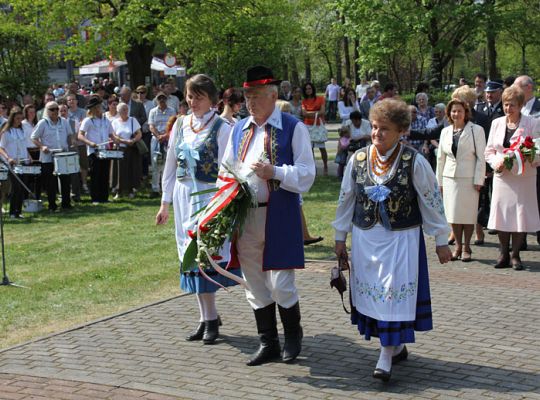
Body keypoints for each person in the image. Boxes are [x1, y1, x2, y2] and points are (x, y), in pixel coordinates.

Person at [333, 98, 452, 382]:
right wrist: (340, 238)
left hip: (401, 242)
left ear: (401, 131)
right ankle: (395, 346)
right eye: (374, 127)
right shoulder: (358, 159)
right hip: (365, 240)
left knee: (391, 295)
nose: (376, 133)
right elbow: (346, 200)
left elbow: (432, 201)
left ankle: (385, 355)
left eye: (384, 128)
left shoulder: (415, 161)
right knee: (374, 294)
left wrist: (441, 239)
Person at [219, 65, 316, 366]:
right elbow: (226, 170)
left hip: (280, 216)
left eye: (257, 96)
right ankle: (268, 342)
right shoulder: (238, 129)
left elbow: (307, 175)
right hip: (247, 217)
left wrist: (274, 172)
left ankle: (293, 337)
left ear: (273, 95)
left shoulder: (292, 127)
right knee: (255, 282)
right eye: (247, 97)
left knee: (281, 284)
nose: (250, 103)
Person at [156, 74, 241, 344]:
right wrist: (165, 202)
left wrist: (223, 203)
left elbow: (231, 169)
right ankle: (205, 318)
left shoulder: (222, 127)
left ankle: (212, 317)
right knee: (188, 257)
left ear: (212, 100)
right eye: (190, 96)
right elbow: (170, 166)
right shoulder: (181, 125)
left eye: (199, 97)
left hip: (207, 197)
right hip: (184, 196)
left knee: (205, 256)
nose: (192, 102)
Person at [484, 86, 540, 270]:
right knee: (502, 215)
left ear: (521, 105)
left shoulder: (532, 122)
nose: (509, 109)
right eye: (506, 105)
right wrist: (496, 162)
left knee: (520, 216)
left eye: (513, 105)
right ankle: (503, 253)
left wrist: (529, 154)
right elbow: (489, 151)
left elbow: (538, 149)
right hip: (503, 177)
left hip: (523, 177)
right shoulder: (497, 123)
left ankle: (515, 254)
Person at [436, 99, 486, 262]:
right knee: (453, 215)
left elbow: (481, 157)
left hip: (469, 178)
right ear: (449, 114)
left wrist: (479, 179)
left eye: (459, 111)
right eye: (453, 111)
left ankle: (467, 247)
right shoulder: (445, 132)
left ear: (465, 113)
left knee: (468, 215)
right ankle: (457, 246)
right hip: (450, 178)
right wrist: (440, 182)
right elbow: (440, 159)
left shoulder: (476, 130)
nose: (456, 114)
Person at [31, 101, 73, 211]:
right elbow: (33, 137)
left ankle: (66, 204)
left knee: (65, 180)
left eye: (56, 109)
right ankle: (52, 205)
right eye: (52, 109)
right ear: (47, 111)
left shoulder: (64, 121)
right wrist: (42, 146)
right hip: (48, 157)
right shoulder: (43, 123)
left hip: (63, 155)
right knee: (51, 182)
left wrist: (70, 143)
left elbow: (69, 135)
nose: (55, 111)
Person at [78, 95, 115, 204]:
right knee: (95, 175)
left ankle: (104, 197)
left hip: (105, 151)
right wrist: (90, 143)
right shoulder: (87, 121)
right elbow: (80, 135)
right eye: (99, 106)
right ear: (94, 108)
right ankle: (95, 198)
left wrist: (117, 140)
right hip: (93, 152)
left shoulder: (106, 120)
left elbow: (111, 134)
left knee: (104, 174)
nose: (101, 108)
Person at [0, 109, 31, 219]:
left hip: (23, 162)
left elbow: (24, 146)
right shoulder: (6, 132)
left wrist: (29, 156)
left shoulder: (22, 130)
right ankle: (13, 212)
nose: (19, 121)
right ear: (12, 118)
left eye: (21, 118)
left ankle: (19, 211)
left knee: (22, 188)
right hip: (12, 163)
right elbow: (1, 147)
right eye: (17, 118)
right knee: (16, 188)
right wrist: (8, 158)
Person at [111, 103, 142, 199]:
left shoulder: (133, 120)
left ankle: (131, 190)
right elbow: (113, 135)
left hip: (131, 148)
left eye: (126, 109)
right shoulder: (115, 122)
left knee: (131, 169)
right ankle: (118, 191)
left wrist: (132, 140)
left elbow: (139, 134)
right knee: (119, 171)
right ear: (118, 111)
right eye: (123, 109)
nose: (125, 111)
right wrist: (123, 141)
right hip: (119, 148)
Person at [148, 92, 176, 198]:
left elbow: (173, 125)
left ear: (166, 99)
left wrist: (165, 136)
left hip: (168, 139)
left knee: (167, 164)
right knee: (155, 164)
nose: (162, 100)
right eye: (159, 99)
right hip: (156, 140)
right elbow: (151, 126)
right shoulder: (153, 111)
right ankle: (155, 189)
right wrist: (158, 136)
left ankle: (166, 189)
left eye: (163, 98)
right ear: (156, 100)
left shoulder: (172, 110)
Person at [302, 82, 328, 175]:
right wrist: (316, 112)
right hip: (307, 126)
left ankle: (325, 166)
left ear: (312, 89)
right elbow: (304, 114)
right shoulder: (304, 101)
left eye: (309, 88)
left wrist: (310, 113)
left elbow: (322, 111)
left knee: (322, 147)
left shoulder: (320, 99)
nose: (308, 90)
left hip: (318, 126)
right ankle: (313, 167)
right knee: (310, 148)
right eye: (306, 89)